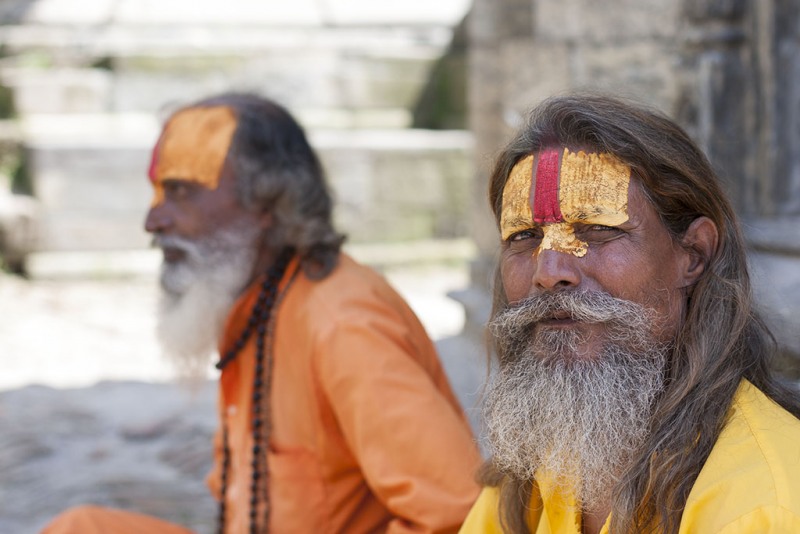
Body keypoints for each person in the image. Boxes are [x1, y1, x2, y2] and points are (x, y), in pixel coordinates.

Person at [44, 93, 481, 533]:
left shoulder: (344, 324)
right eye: (158, 194)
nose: (154, 220)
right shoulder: (256, 298)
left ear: (269, 204)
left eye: (180, 192)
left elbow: (457, 515)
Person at [460, 94, 800, 533]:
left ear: (693, 255)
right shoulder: (541, 465)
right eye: (523, 236)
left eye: (598, 229)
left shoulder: (763, 506)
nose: (549, 271)